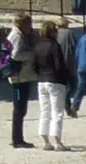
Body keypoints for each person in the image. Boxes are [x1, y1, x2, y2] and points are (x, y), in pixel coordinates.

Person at [32, 21, 70, 152]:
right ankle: (58, 142)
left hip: (41, 81)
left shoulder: (37, 45)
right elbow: (59, 65)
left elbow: (34, 66)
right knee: (57, 112)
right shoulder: (55, 45)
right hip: (55, 80)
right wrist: (65, 77)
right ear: (52, 32)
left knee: (45, 111)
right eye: (55, 30)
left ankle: (46, 141)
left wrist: (41, 74)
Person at [7, 14, 37, 150]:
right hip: (20, 78)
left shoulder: (16, 34)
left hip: (21, 76)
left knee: (20, 109)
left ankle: (17, 138)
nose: (30, 27)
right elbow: (16, 55)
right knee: (19, 109)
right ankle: (17, 139)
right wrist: (31, 54)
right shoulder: (18, 36)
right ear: (22, 24)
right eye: (28, 24)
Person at [55, 19, 82, 114]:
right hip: (69, 63)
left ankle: (67, 106)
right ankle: (67, 104)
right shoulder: (69, 33)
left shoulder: (55, 33)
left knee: (64, 85)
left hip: (58, 64)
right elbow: (76, 47)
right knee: (73, 85)